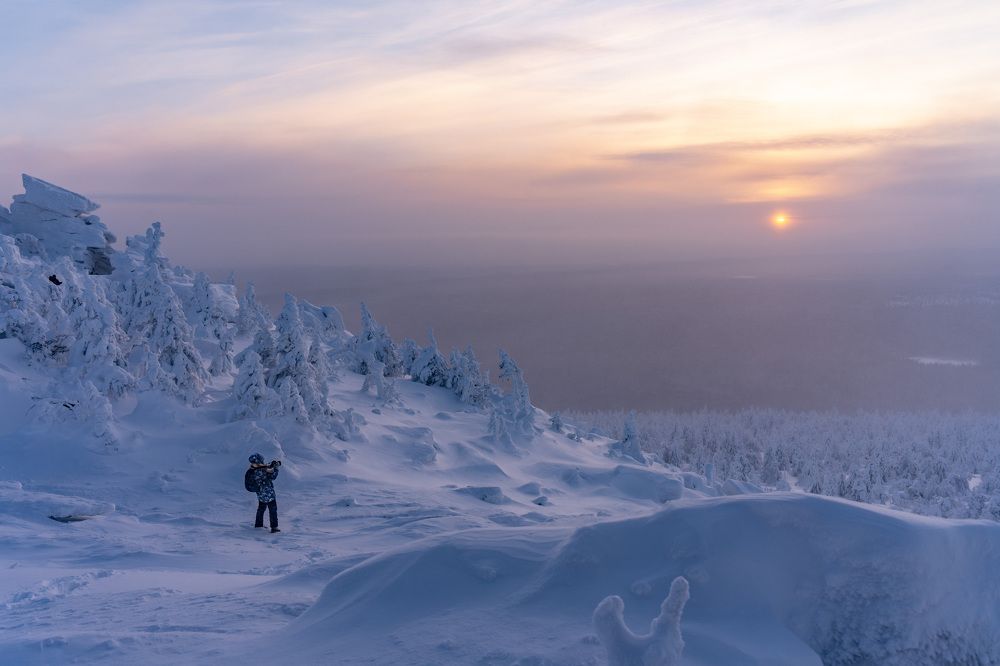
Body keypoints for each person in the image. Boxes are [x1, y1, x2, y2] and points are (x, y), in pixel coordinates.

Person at [248, 453, 281, 533]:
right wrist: (276, 468)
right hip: (269, 495)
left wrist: (270, 465)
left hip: (260, 495)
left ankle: (258, 525)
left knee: (261, 509)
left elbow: (265, 468)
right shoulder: (263, 470)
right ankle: (274, 527)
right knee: (272, 510)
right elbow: (272, 476)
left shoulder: (252, 470)